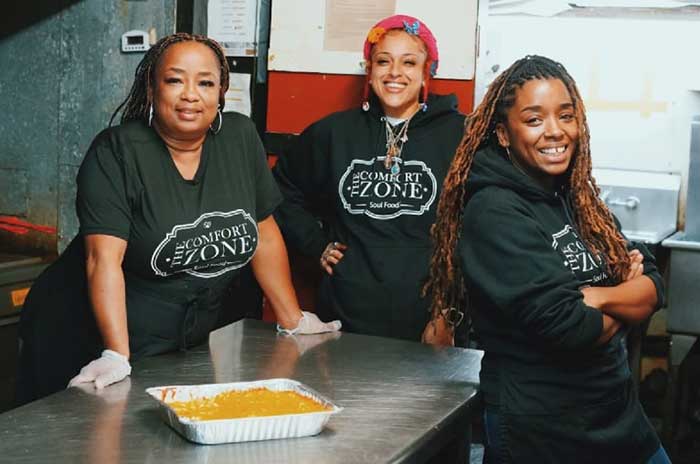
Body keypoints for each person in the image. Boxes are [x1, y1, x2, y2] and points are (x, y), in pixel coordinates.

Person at [17, 33, 340, 405]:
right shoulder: (117, 151)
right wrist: (115, 354)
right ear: (152, 89)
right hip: (85, 335)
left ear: (220, 92)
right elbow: (102, 260)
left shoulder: (239, 138)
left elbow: (263, 233)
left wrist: (292, 317)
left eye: (205, 82)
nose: (191, 94)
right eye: (175, 80)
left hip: (181, 342)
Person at [425, 55, 671, 463]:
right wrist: (624, 296)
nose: (555, 131)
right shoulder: (494, 212)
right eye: (535, 119)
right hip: (544, 433)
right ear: (504, 134)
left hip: (619, 417)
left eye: (566, 115)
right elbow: (570, 326)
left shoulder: (574, 195)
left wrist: (599, 297)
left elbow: (653, 280)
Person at [272, 15, 466, 343]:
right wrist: (314, 244)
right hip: (348, 316)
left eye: (409, 62)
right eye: (383, 61)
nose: (394, 73)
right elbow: (278, 189)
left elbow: (481, 224)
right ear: (369, 69)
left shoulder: (459, 134)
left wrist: (450, 312)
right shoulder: (334, 133)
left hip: (428, 320)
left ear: (426, 72)